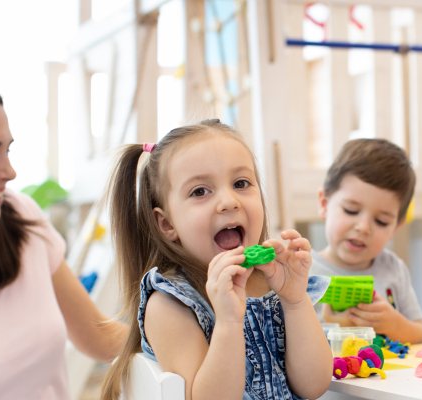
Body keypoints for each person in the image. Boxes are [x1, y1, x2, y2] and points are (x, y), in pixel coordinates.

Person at [100, 120, 331, 399]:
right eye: (200, 191)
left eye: (241, 183)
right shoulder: (171, 304)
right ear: (166, 223)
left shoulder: (274, 286)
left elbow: (314, 385)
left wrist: (295, 301)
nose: (229, 201)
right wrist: (228, 322)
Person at [0, 80, 128, 399]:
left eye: (7, 150)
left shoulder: (20, 214)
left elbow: (99, 336)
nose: (9, 171)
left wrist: (192, 334)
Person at [311, 138, 422, 344]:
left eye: (381, 221)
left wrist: (395, 325)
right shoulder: (302, 271)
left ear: (396, 227)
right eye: (351, 211)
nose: (363, 227)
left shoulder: (393, 269)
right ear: (324, 204)